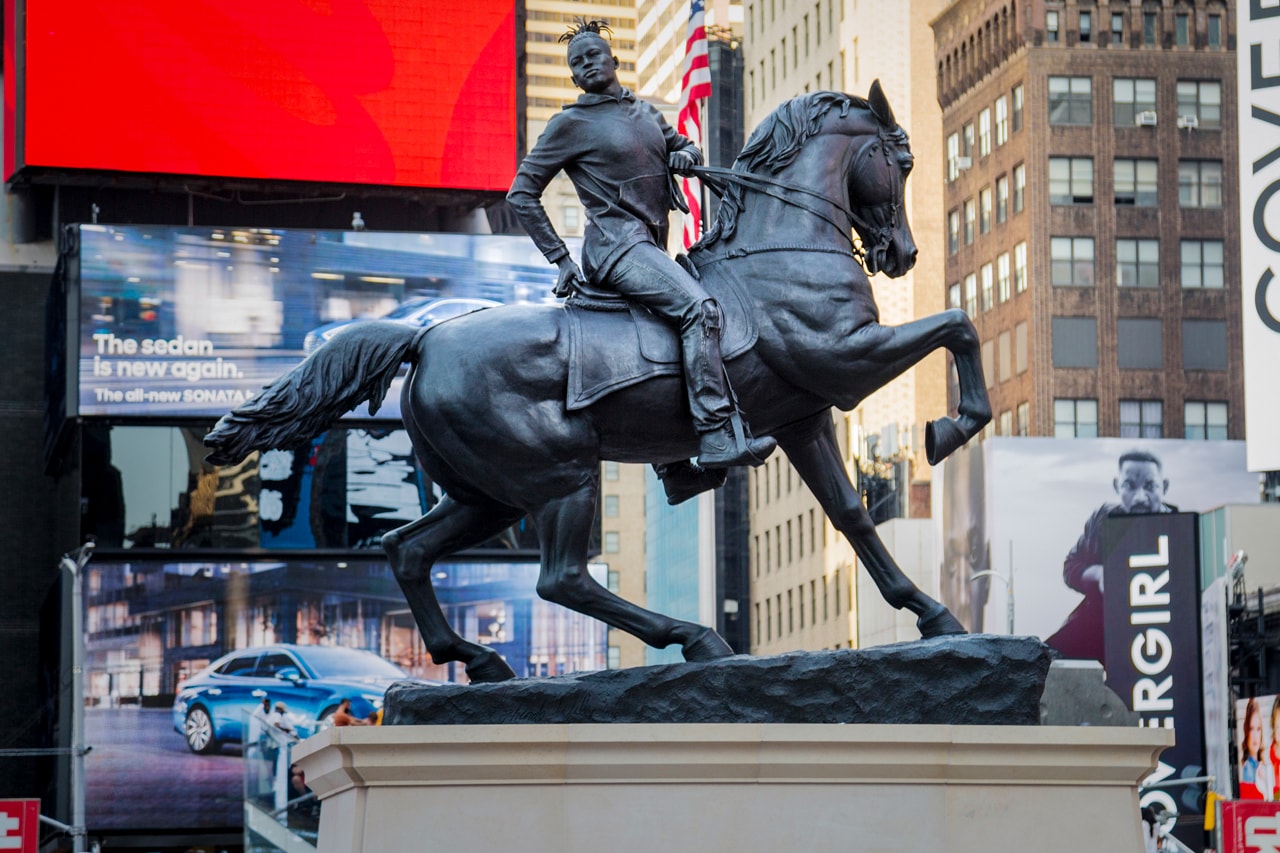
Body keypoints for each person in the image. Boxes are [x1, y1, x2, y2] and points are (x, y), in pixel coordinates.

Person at [506, 18, 775, 501]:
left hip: (649, 246)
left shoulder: (644, 113)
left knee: (663, 339)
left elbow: (681, 145)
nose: (586, 64)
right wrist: (560, 259)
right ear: (573, 77)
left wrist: (688, 154)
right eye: (576, 63)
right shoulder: (570, 124)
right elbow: (521, 194)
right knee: (699, 309)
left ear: (612, 60)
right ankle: (715, 434)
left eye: (592, 55)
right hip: (616, 249)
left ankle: (674, 471)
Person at [1047, 449, 1176, 665]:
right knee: (1048, 662)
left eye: (1150, 486)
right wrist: (1098, 575)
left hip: (1160, 636)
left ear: (1164, 487)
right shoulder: (1103, 519)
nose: (1140, 497)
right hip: (1102, 627)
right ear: (1117, 486)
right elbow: (1071, 567)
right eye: (1130, 486)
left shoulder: (1180, 530)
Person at [1241, 697, 1275, 800]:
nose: (1255, 735)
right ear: (1246, 732)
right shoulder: (1248, 769)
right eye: (1251, 729)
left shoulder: (1261, 765)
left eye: (1258, 729)